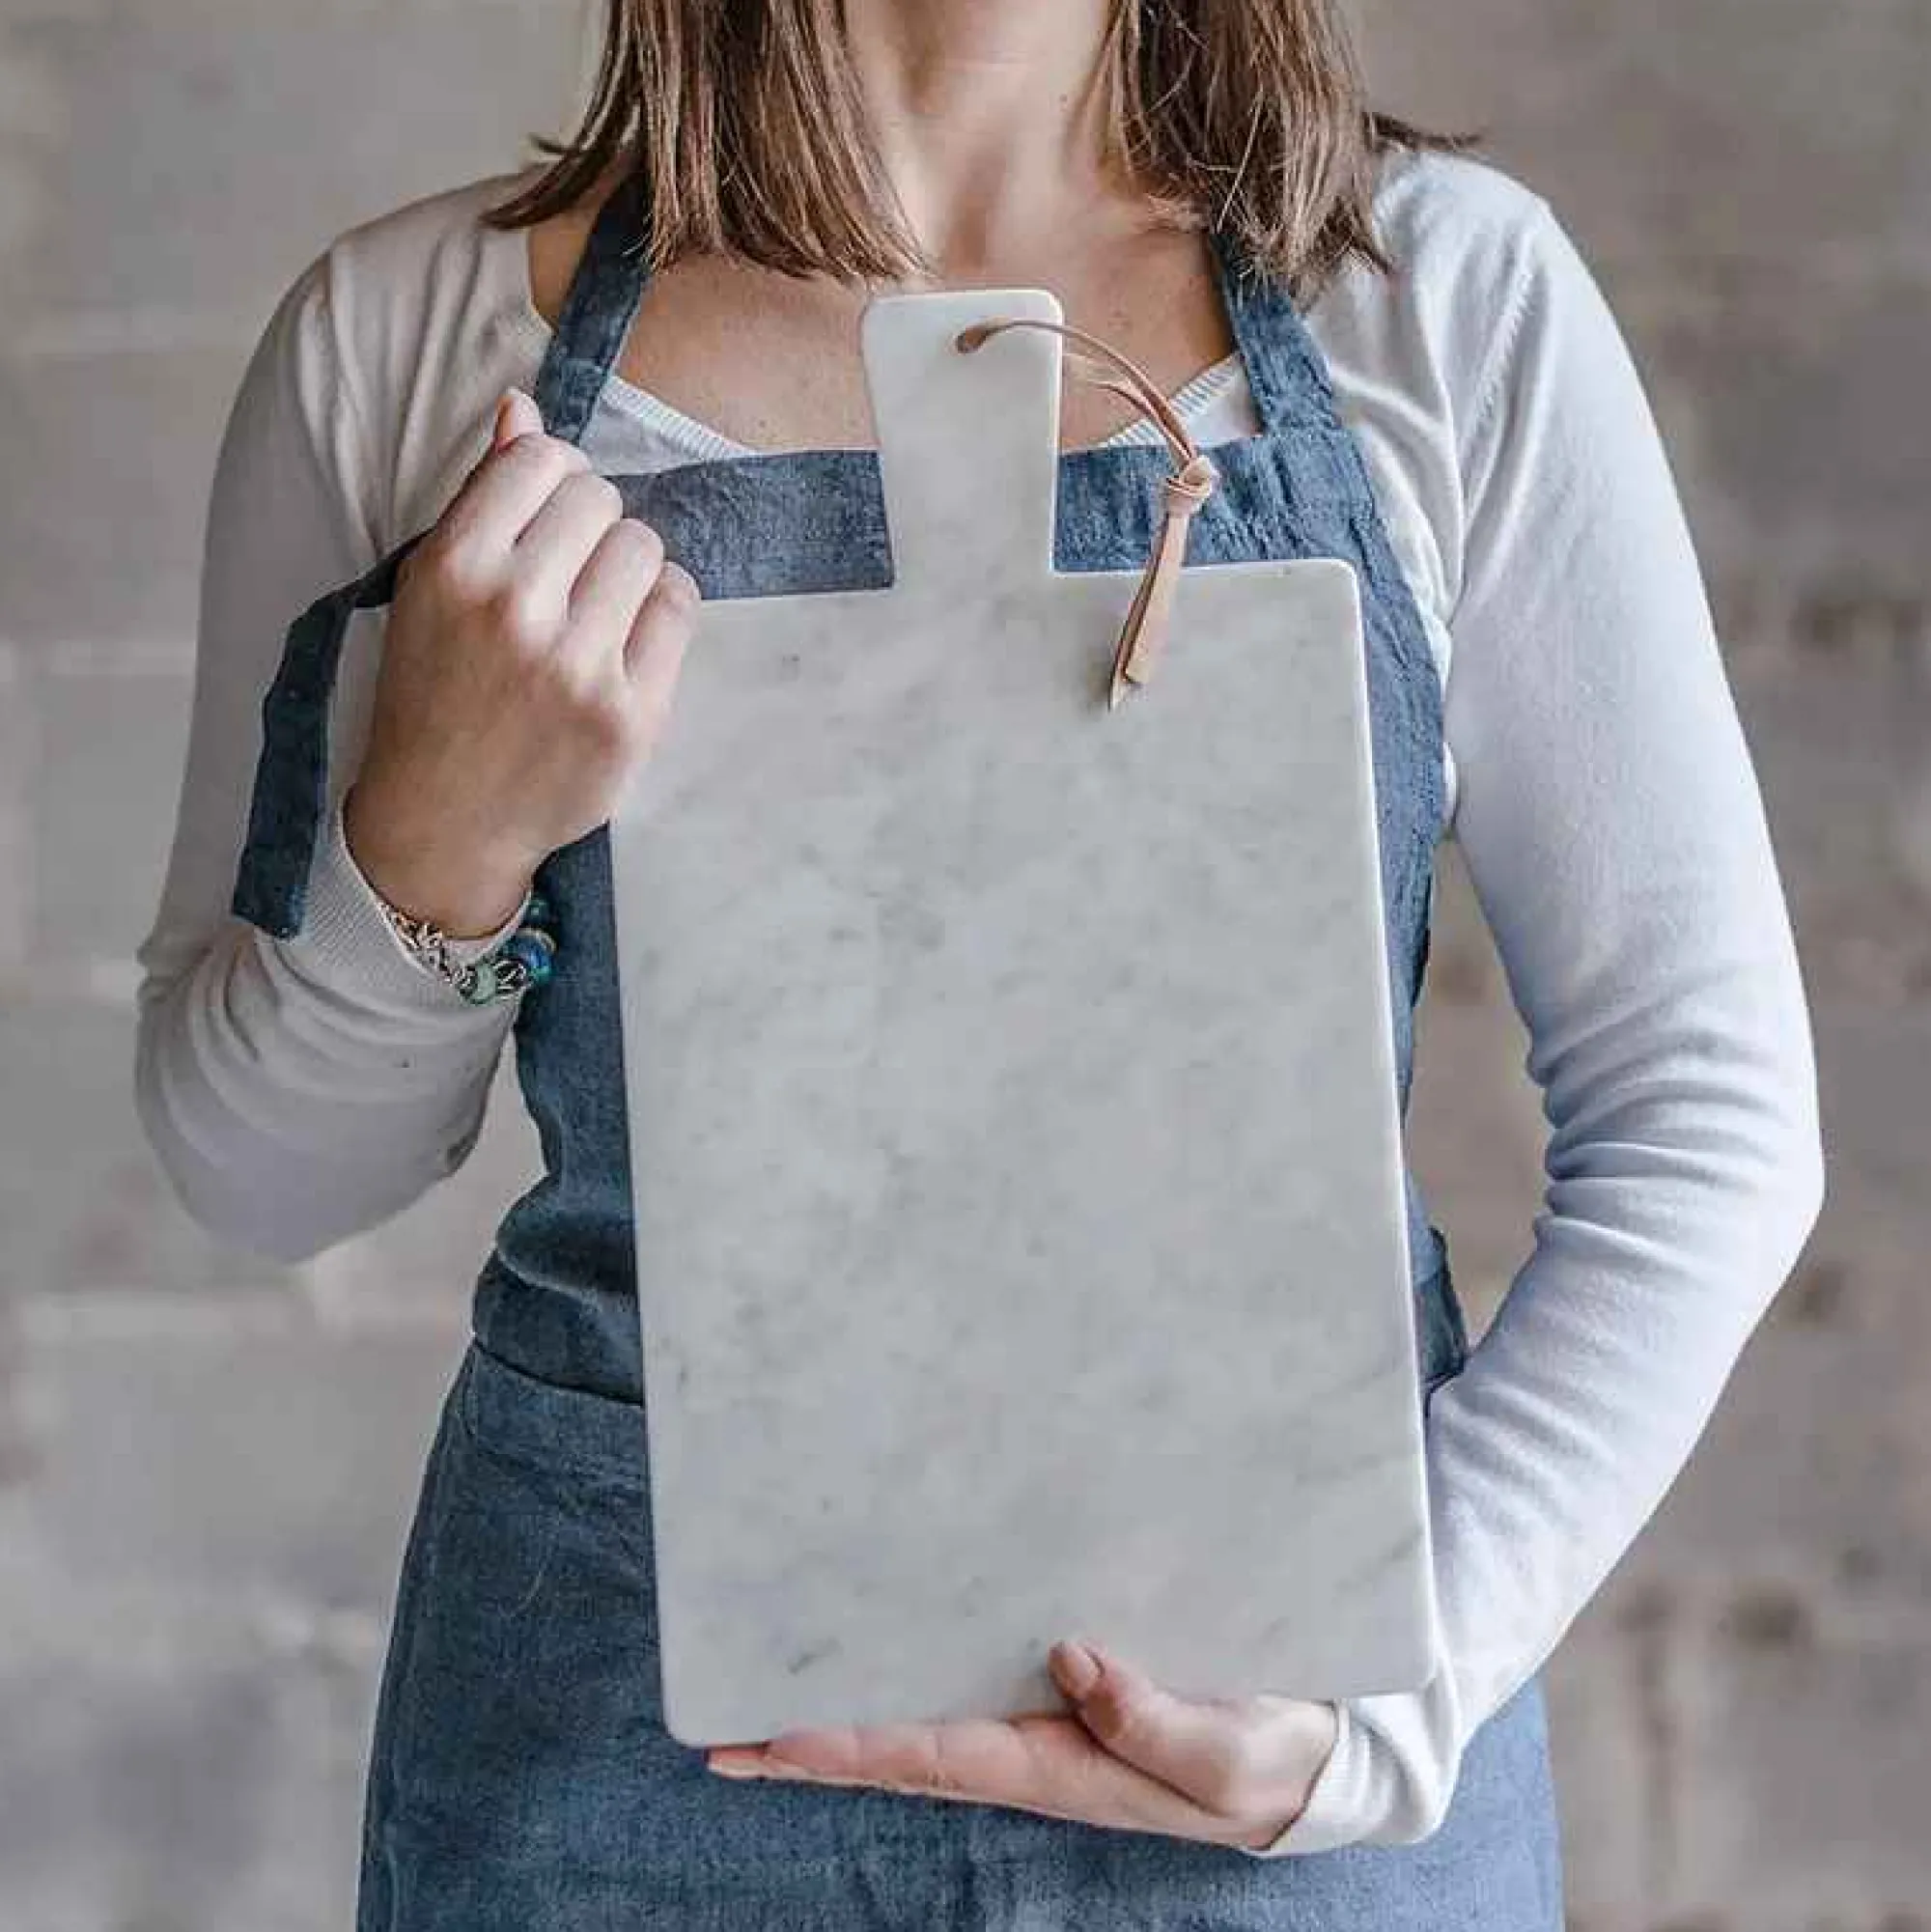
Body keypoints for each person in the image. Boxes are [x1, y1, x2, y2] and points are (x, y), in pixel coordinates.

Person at [131, 0, 1825, 1925]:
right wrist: (430, 841)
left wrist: (1383, 1706)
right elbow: (264, 1172)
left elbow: (1706, 1119)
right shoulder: (406, 347)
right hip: (608, 1787)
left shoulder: (1433, 300)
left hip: (1280, 1804)